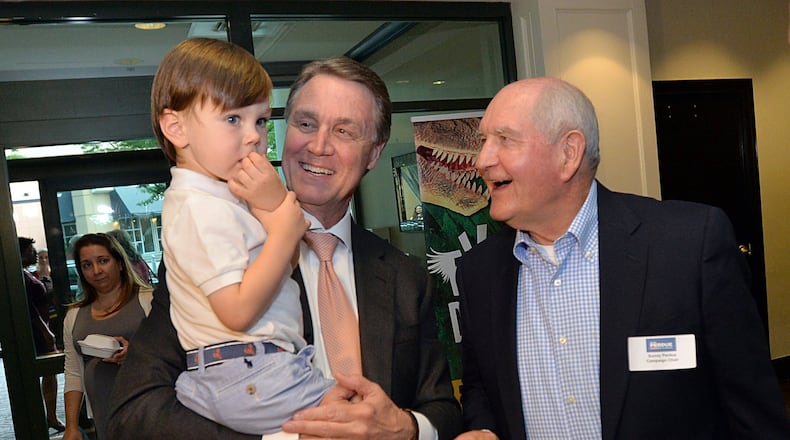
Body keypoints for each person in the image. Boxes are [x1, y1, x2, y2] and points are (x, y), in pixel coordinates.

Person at [107, 56, 462, 440]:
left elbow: (442, 408)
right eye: (306, 124)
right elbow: (133, 412)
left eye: (343, 131)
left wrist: (403, 428)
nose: (318, 146)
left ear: (374, 154)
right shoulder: (220, 246)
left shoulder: (406, 277)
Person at [454, 77, 790, 439]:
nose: (482, 160)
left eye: (504, 139)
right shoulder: (479, 273)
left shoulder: (689, 246)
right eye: (484, 141)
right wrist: (483, 428)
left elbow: (754, 415)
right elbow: (480, 389)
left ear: (568, 153)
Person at [151, 37, 331, 435]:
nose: (253, 136)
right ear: (176, 127)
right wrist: (285, 226)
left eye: (261, 120)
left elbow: (281, 269)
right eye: (233, 119)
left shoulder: (222, 197)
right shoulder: (197, 207)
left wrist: (272, 209)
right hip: (249, 369)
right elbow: (237, 311)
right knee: (353, 416)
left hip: (251, 368)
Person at [63, 233, 153, 440]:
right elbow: (74, 373)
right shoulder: (74, 316)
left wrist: (135, 354)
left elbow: (172, 352)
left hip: (149, 410)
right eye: (87, 265)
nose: (96, 271)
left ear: (120, 263)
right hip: (105, 415)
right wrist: (71, 427)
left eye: (103, 261)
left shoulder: (148, 301)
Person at [18, 237, 65, 433]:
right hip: (38, 332)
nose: (34, 253)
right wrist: (45, 331)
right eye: (30, 250)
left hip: (41, 329)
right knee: (47, 372)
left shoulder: (25, 275)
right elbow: (29, 309)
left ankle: (49, 415)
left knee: (49, 373)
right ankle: (50, 416)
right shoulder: (21, 277)